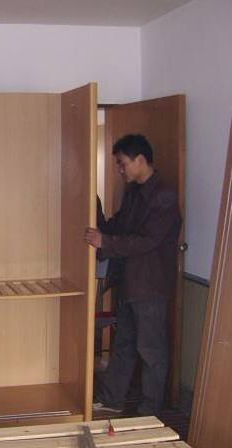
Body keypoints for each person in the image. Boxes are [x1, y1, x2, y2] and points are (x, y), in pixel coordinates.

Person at [85, 134, 182, 416]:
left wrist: (106, 241)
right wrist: (96, 220)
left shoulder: (163, 196)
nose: (120, 169)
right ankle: (112, 399)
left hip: (150, 285)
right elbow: (119, 226)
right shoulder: (134, 193)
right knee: (124, 344)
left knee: (151, 350)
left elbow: (147, 241)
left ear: (140, 160)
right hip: (129, 282)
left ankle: (150, 411)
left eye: (122, 163)